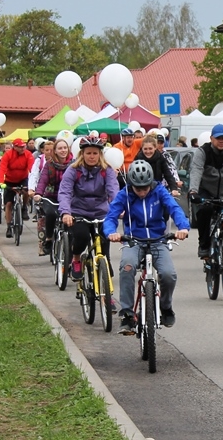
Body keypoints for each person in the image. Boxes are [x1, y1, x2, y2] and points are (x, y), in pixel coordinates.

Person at [105, 160, 191, 332]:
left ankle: (166, 307)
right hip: (133, 240)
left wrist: (183, 228)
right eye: (138, 188)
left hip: (159, 240)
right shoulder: (125, 194)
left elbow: (175, 209)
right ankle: (128, 314)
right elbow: (111, 216)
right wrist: (110, 232)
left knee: (168, 274)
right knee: (127, 268)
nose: (142, 192)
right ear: (131, 184)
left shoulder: (160, 191)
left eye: (145, 188)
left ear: (151, 183)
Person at [59, 136, 119, 283]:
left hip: (101, 212)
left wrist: (118, 209)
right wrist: (66, 212)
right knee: (82, 237)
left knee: (105, 251)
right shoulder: (73, 170)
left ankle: (106, 298)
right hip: (79, 212)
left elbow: (114, 191)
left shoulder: (107, 170)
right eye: (88, 153)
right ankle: (76, 258)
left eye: (95, 153)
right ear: (82, 154)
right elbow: (65, 192)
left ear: (100, 154)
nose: (92, 156)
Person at [189, 123, 223, 266]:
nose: (221, 141)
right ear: (211, 138)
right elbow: (196, 170)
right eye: (218, 138)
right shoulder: (203, 152)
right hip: (208, 192)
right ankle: (204, 246)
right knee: (204, 211)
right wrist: (193, 191)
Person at [33, 138, 72, 256]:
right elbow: (43, 180)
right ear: (55, 151)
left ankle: (70, 242)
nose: (63, 150)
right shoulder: (49, 165)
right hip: (52, 196)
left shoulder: (74, 164)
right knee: (50, 213)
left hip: (69, 197)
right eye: (60, 148)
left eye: (65, 148)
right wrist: (38, 194)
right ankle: (49, 239)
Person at [0, 138, 35, 238]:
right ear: (15, 147)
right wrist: (1, 182)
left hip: (23, 178)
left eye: (24, 146)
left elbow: (32, 169)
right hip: (10, 180)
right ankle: (9, 227)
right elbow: (2, 169)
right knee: (9, 204)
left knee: (27, 191)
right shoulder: (8, 155)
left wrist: (33, 182)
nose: (23, 148)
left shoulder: (28, 154)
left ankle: (24, 208)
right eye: (20, 147)